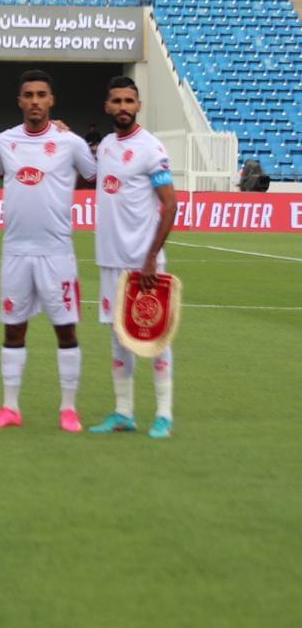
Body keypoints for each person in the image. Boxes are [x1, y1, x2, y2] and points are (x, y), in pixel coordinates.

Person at [0, 69, 96, 433]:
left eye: (41, 95)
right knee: (13, 331)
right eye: (28, 95)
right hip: (15, 252)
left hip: (57, 253)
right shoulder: (4, 142)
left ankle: (69, 409)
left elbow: (94, 176)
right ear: (20, 101)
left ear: (51, 100)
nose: (34, 101)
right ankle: (10, 407)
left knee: (66, 330)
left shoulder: (70, 143)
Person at [88, 76, 178, 439]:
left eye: (129, 100)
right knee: (117, 337)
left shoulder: (151, 148)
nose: (123, 107)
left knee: (157, 338)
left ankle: (164, 414)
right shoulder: (107, 144)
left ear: (138, 106)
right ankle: (123, 411)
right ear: (107, 107)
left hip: (143, 263)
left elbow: (170, 204)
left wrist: (152, 257)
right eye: (116, 101)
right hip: (111, 261)